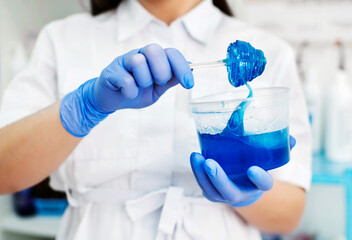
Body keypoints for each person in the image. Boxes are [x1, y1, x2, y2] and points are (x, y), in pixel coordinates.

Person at [0, 0, 312, 239]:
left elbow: (289, 215)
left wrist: (244, 194)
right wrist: (84, 108)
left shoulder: (270, 50)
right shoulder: (64, 39)